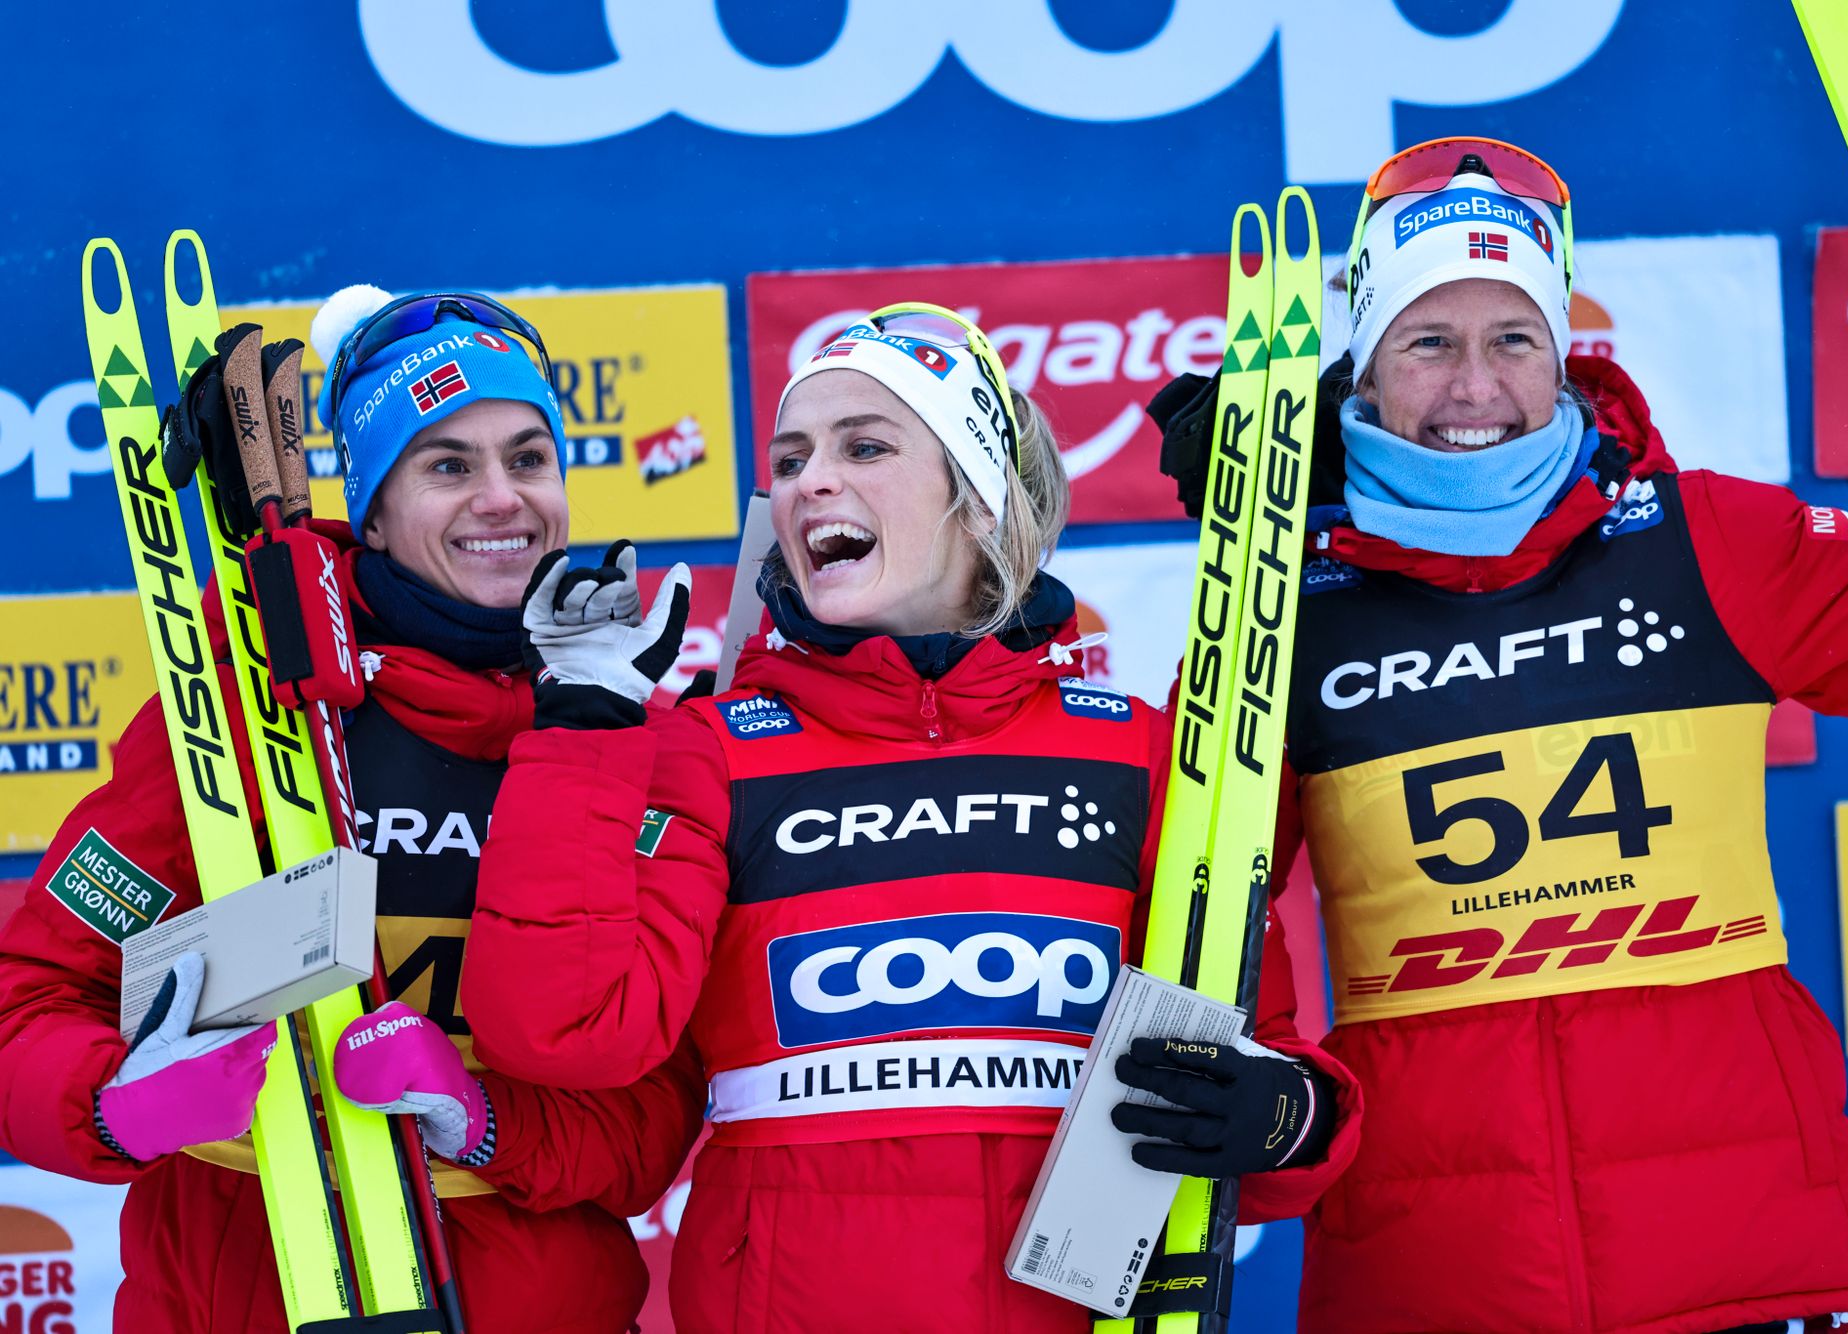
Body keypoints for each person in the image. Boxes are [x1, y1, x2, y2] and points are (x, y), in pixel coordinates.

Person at [1149, 136, 1848, 1332]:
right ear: (1363, 366)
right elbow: (1191, 908)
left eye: (1512, 339)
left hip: (1746, 1266)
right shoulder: (1277, 618)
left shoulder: (1703, 541)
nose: (1473, 388)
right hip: (1440, 1278)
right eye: (1426, 341)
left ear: (1562, 352)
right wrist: (1276, 1107)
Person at [460, 303, 1363, 1332]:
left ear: (976, 500)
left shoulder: (1138, 754)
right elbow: (562, 1034)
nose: (810, 481)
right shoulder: (713, 751)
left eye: (865, 445)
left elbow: (1277, 1105)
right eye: (791, 458)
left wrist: (1283, 1114)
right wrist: (581, 724)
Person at [0, 287, 695, 1333]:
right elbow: (33, 1000)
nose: (502, 497)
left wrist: (488, 1119)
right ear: (371, 504)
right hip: (243, 1291)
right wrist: (117, 1098)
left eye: (527, 457)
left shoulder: (637, 741)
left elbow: (658, 1111)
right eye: (447, 465)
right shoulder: (233, 713)